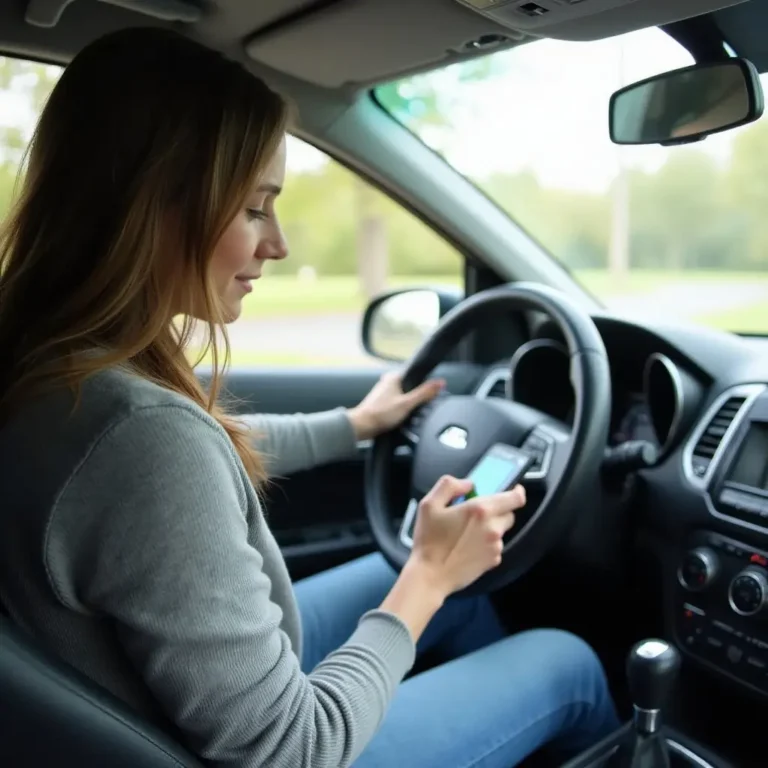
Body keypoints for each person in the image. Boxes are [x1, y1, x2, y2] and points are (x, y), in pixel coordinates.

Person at [0, 27, 619, 768]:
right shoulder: (139, 443)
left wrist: (358, 425)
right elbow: (294, 747)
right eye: (256, 207)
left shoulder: (55, 367)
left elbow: (204, 446)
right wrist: (425, 578)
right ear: (155, 206)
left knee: (468, 592)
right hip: (283, 744)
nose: (279, 243)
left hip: (167, 710)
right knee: (567, 660)